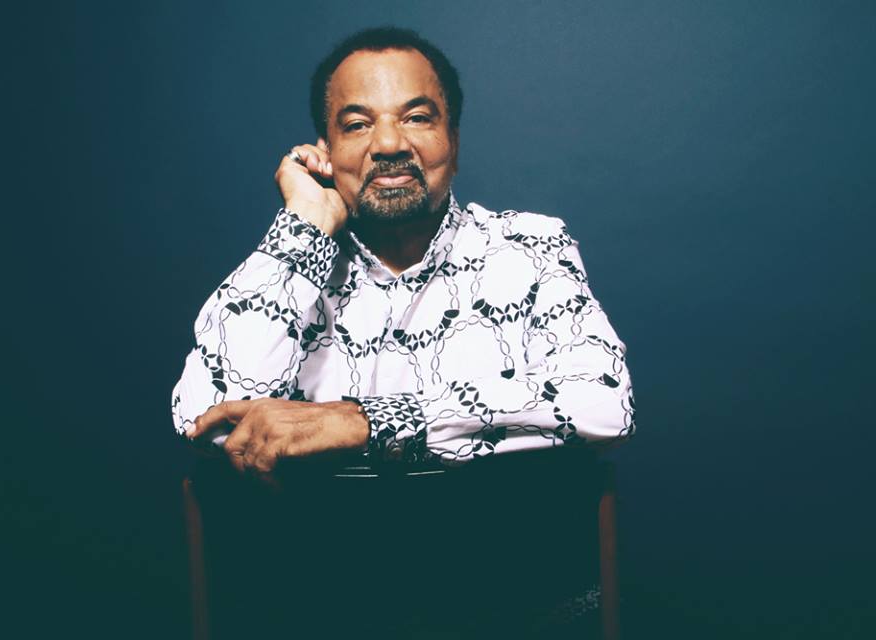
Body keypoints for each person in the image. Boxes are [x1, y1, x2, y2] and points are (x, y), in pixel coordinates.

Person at [172, 26, 636, 638]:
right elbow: (205, 415)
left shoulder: (530, 248)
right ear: (324, 151)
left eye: (417, 118)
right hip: (313, 612)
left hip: (510, 609)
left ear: (453, 140)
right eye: (357, 124)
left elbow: (604, 400)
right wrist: (305, 225)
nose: (389, 144)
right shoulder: (292, 267)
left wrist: (368, 421)